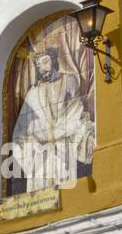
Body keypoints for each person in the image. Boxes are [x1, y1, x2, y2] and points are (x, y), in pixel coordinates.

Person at [10, 46, 95, 192]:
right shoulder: (32, 93)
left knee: (67, 190)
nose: (42, 67)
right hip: (39, 152)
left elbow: (76, 108)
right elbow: (22, 128)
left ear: (53, 61)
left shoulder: (68, 80)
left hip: (63, 144)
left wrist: (71, 130)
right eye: (38, 65)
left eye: (45, 61)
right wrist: (33, 143)